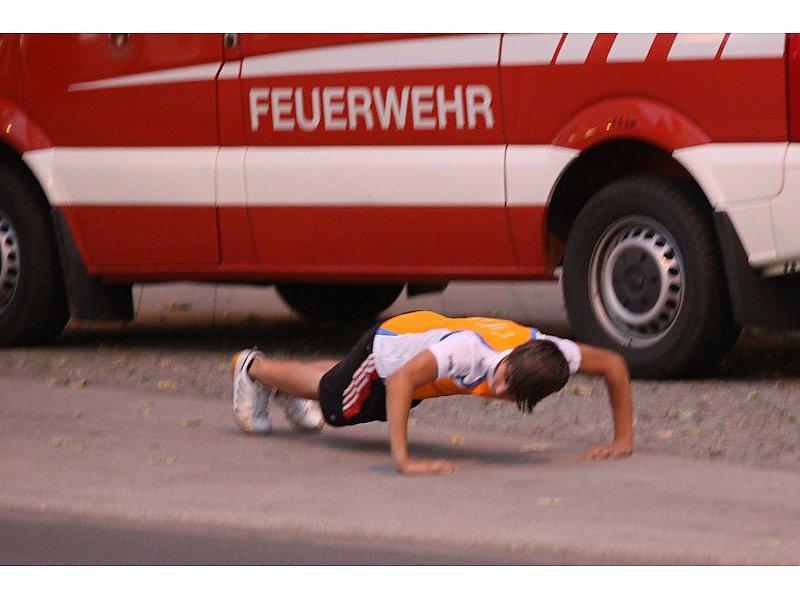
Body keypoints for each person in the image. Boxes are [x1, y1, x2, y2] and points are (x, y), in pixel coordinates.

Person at [231, 310, 633, 476]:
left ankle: (284, 383)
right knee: (337, 406)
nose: (498, 388)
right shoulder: (468, 352)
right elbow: (401, 380)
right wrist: (404, 460)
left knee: (343, 381)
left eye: (510, 393)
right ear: (512, 356)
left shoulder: (553, 355)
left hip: (425, 364)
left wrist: (623, 439)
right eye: (503, 377)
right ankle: (253, 368)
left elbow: (613, 364)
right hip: (389, 351)